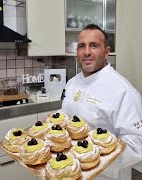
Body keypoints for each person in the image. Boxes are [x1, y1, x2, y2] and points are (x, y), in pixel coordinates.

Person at [61, 24, 142, 179]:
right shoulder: (72, 83)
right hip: (69, 169)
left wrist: (92, 157)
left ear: (107, 52)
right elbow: (69, 114)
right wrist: (56, 118)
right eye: (81, 46)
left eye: (94, 46)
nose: (86, 52)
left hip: (104, 175)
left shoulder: (123, 90)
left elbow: (137, 142)